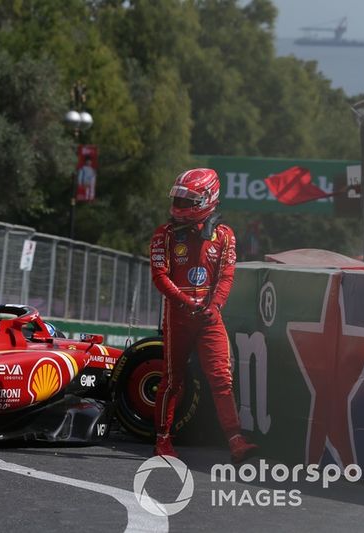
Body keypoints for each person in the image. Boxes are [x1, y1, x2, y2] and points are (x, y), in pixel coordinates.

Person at [149, 167, 257, 463]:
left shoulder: (224, 236)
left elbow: (226, 276)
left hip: (209, 317)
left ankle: (236, 440)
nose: (179, 206)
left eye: (187, 201)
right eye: (178, 199)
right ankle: (162, 440)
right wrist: (185, 302)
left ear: (208, 199)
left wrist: (215, 305)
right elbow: (159, 276)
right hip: (178, 316)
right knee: (172, 379)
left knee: (222, 378)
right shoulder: (164, 234)